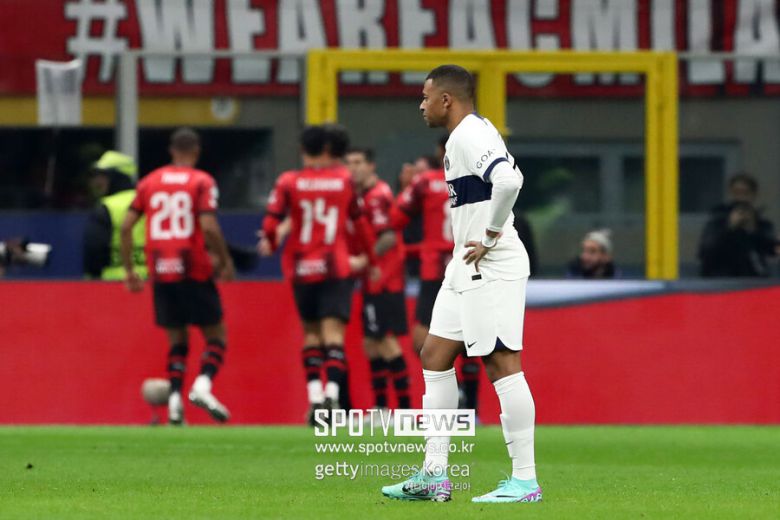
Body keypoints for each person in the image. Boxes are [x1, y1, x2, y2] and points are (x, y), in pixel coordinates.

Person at [382, 65, 541, 503]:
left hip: (492, 262)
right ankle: (434, 475)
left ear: (446, 99)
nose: (421, 105)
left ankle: (525, 481)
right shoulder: (464, 136)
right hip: (464, 264)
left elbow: (509, 180)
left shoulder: (470, 134)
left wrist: (490, 235)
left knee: (502, 363)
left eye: (425, 96)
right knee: (434, 355)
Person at [259, 125, 376, 424]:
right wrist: (370, 258)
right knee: (333, 335)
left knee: (310, 335)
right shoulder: (344, 180)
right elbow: (360, 223)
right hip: (335, 265)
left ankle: (314, 398)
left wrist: (271, 243)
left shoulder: (289, 181)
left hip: (301, 267)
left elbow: (270, 224)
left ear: (303, 150)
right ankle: (332, 395)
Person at [120, 128, 235, 425]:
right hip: (193, 266)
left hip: (161, 269)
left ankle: (174, 403)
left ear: (171, 151)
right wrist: (224, 260)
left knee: (177, 341)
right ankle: (202, 386)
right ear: (196, 151)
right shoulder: (202, 181)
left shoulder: (149, 182)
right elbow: (208, 226)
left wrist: (130, 270)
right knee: (216, 336)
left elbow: (126, 226)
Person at [392, 137, 482, 415]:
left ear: (442, 151)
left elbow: (396, 217)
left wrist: (405, 187)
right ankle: (469, 405)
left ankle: (456, 395)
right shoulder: (479, 180)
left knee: (423, 341)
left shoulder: (426, 182)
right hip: (471, 264)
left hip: (435, 270)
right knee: (470, 337)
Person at [345, 147, 411, 414]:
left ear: (371, 166)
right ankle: (381, 408)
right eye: (349, 163)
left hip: (384, 278)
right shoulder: (360, 197)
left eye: (358, 162)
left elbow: (388, 236)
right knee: (370, 343)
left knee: (385, 340)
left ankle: (404, 410)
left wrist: (363, 260)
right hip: (372, 279)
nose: (353, 168)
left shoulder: (377, 196)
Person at [698, 173, 777, 277]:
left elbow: (772, 250)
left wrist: (753, 231)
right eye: (736, 192)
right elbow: (705, 251)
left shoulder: (762, 224)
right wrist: (729, 227)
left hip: (752, 278)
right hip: (720, 277)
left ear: (753, 194)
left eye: (745, 193)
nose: (740, 197)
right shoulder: (717, 219)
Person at [83, 151, 147, 280]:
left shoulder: (107, 207)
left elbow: (94, 249)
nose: (97, 181)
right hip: (150, 279)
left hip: (113, 282)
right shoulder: (147, 200)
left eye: (102, 175)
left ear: (116, 177)